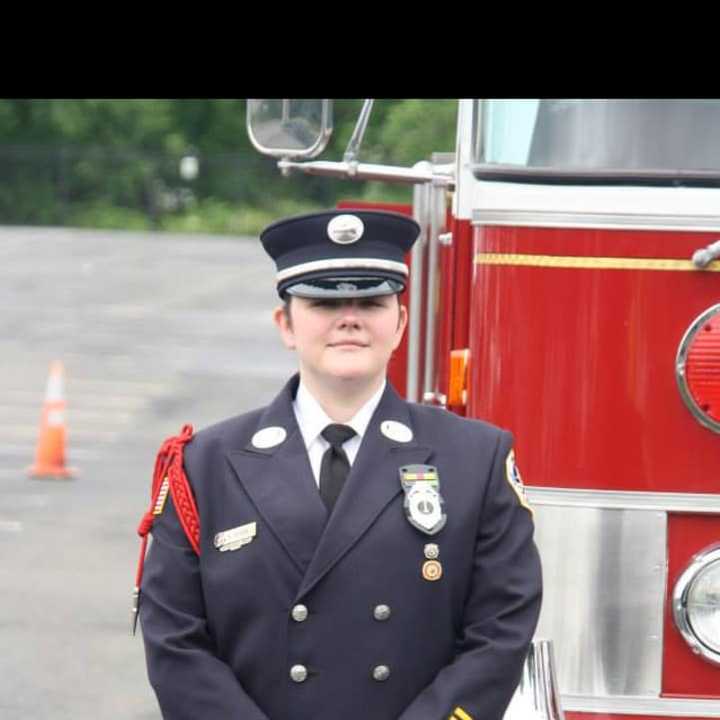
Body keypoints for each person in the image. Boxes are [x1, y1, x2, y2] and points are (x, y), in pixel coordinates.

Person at [137, 209, 542, 720]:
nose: (349, 318)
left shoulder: (476, 460)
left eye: (371, 301)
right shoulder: (205, 465)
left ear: (400, 323)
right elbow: (175, 641)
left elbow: (500, 633)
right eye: (324, 302)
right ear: (286, 324)